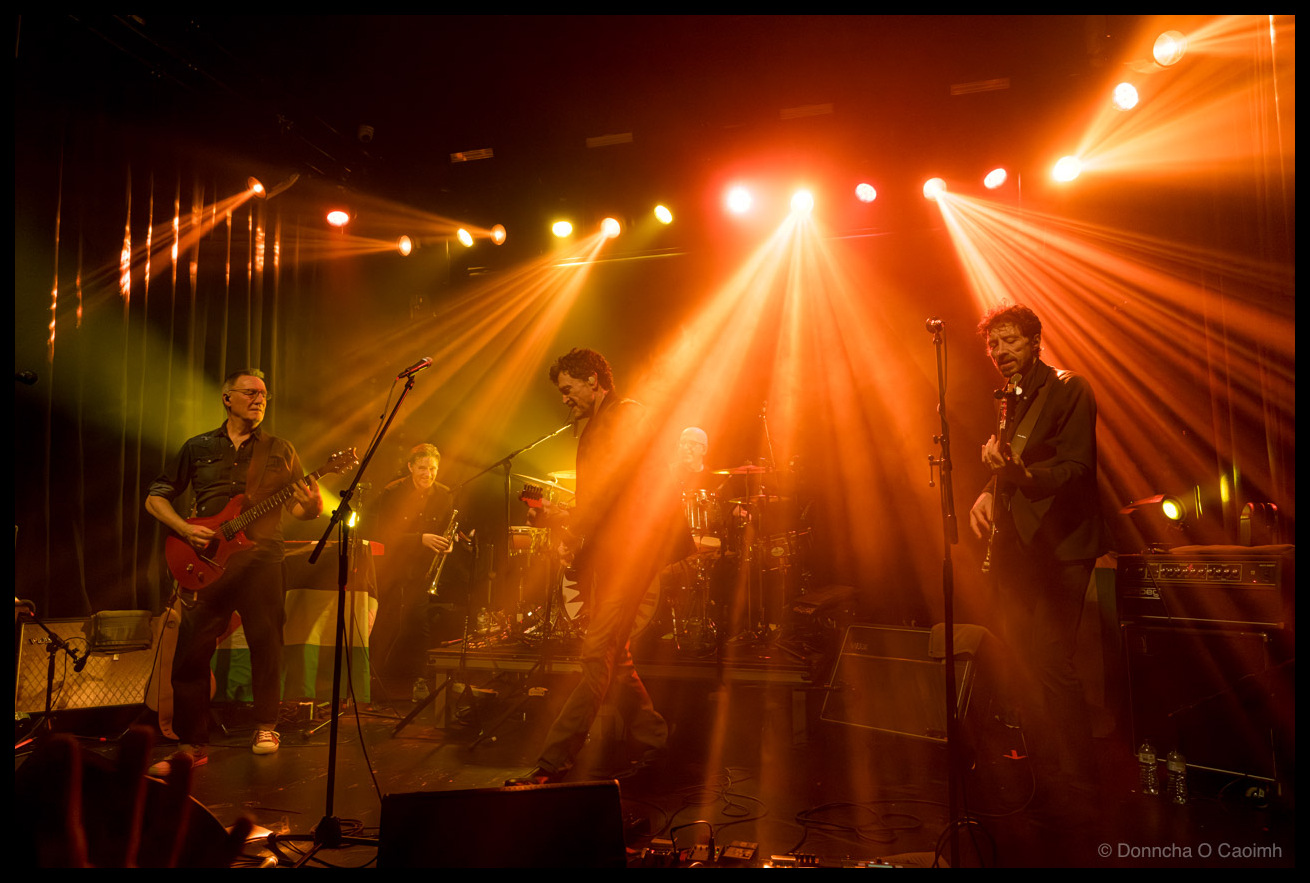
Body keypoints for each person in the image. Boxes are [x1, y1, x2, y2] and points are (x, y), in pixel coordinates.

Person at [510, 348, 689, 784]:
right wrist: (558, 515)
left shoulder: (626, 414)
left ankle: (554, 760)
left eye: (569, 390)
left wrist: (574, 521)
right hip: (617, 551)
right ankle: (659, 743)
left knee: (595, 653)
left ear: (593, 379)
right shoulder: (595, 425)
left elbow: (626, 485)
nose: (565, 399)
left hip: (636, 551)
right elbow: (602, 500)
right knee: (616, 656)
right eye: (562, 393)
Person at [145, 369, 322, 775]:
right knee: (192, 651)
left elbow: (298, 508)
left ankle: (265, 727)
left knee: (267, 644)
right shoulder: (198, 446)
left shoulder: (281, 449)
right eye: (251, 393)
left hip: (262, 560)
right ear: (228, 398)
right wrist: (185, 528)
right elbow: (156, 497)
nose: (259, 399)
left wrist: (311, 506)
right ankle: (191, 743)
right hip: (208, 563)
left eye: (264, 395)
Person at [966, 304, 1105, 823]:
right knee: (1027, 660)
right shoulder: (1011, 401)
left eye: (1010, 342)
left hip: (1065, 545)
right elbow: (1012, 463)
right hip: (1023, 547)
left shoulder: (1070, 388)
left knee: (1052, 661)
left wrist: (1020, 476)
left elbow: (1075, 469)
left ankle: (1084, 781)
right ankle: (1047, 773)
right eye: (994, 345)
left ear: (1035, 341)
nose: (1000, 353)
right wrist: (988, 489)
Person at [369, 443, 455, 698]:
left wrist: (449, 543)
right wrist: (420, 538)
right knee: (386, 619)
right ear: (410, 467)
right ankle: (376, 676)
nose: (428, 474)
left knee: (419, 621)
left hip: (422, 568)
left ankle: (419, 677)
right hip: (393, 565)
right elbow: (383, 533)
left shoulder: (445, 494)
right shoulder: (393, 492)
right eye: (422, 468)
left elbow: (447, 528)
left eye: (432, 468)